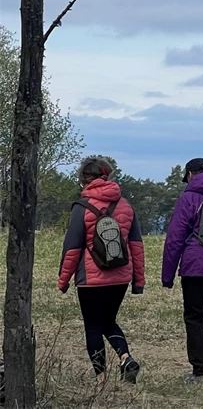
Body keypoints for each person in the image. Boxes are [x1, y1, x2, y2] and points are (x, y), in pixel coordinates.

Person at [58, 156, 146, 384]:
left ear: (84, 179)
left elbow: (72, 248)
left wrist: (63, 279)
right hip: (121, 276)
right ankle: (126, 357)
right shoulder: (125, 205)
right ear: (108, 176)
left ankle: (100, 378)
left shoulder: (82, 206)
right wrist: (138, 281)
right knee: (109, 321)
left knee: (93, 325)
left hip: (90, 278)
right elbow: (136, 245)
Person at [162, 157, 203, 384]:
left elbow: (175, 239)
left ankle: (200, 372)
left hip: (194, 268)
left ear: (190, 175)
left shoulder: (188, 198)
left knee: (194, 318)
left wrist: (167, 275)